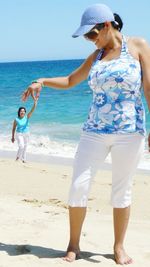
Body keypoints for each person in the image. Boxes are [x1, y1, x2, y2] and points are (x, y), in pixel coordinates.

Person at [21, 3, 150, 265]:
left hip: (130, 131)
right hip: (94, 130)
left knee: (121, 191)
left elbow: (149, 89)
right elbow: (70, 81)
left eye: (91, 35)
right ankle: (73, 245)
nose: (90, 41)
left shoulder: (137, 46)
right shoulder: (97, 57)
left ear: (105, 25)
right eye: (87, 38)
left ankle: (118, 247)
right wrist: (42, 80)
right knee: (78, 186)